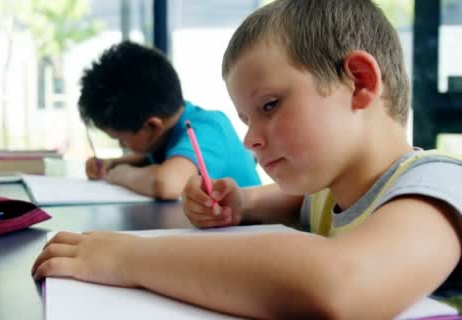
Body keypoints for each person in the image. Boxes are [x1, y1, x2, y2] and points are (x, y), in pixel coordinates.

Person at [32, 0, 462, 318]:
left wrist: (129, 259)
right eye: (245, 119)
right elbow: (297, 203)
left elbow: (342, 284)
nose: (250, 139)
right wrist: (240, 203)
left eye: (270, 105)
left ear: (360, 82)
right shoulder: (329, 190)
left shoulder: (438, 188)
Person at [77, 41, 261, 200]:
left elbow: (166, 183)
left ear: (152, 126)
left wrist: (120, 174)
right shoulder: (173, 126)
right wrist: (113, 163)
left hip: (256, 233)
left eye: (121, 139)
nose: (121, 144)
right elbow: (149, 158)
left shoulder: (207, 127)